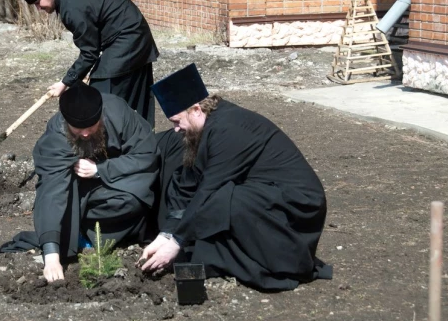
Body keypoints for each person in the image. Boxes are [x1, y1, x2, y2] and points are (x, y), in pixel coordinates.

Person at [139, 64, 332, 291]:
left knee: (226, 199)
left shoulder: (230, 128)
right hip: (263, 194)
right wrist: (166, 234)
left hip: (295, 206)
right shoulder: (204, 128)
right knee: (181, 179)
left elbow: (208, 191)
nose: (176, 129)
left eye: (176, 121)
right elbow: (188, 186)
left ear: (196, 110)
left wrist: (177, 242)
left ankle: (277, 263)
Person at [0, 81, 160, 282]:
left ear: (100, 116)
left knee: (135, 199)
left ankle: (93, 234)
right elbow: (51, 191)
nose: (85, 134)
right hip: (80, 195)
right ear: (66, 122)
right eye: (77, 129)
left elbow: (146, 154)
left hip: (118, 181)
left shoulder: (118, 112)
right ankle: (78, 237)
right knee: (67, 205)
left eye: (91, 127)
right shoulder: (57, 135)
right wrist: (51, 256)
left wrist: (100, 170)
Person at [18, 0, 159, 128]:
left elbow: (89, 52)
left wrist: (65, 82)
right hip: (135, 35)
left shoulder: (70, 7)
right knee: (123, 95)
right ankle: (135, 140)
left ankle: (111, 142)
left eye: (38, 3)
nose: (39, 8)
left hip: (128, 39)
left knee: (101, 96)